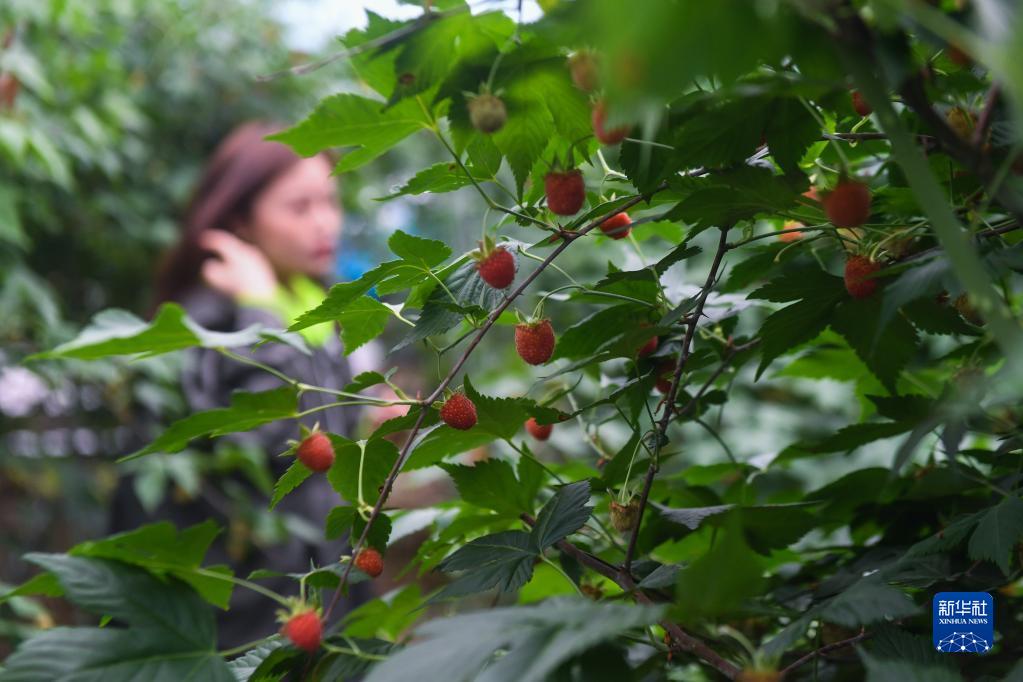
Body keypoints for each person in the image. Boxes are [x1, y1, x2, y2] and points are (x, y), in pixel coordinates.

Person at [111, 122, 369, 648]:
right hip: (239, 615)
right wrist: (257, 311)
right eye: (299, 208)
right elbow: (265, 443)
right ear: (241, 221)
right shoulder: (204, 323)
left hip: (318, 596)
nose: (326, 224)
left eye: (330, 201)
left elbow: (320, 455)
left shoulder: (310, 303)